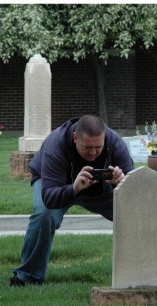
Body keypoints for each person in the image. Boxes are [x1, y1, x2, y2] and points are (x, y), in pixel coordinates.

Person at [10, 114, 134, 286]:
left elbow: (135, 189)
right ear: (75, 138)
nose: (93, 152)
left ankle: (138, 272)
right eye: (87, 147)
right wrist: (74, 188)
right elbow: (49, 199)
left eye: (98, 147)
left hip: (99, 188)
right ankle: (28, 276)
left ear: (105, 137)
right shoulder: (56, 145)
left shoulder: (115, 142)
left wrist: (122, 182)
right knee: (45, 215)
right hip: (57, 185)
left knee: (134, 212)